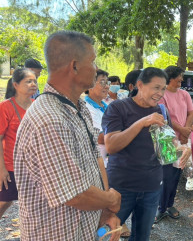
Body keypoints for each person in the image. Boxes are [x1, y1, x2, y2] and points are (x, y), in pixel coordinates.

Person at [13, 31, 121, 240]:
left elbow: (96, 158)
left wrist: (105, 211)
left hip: (84, 231)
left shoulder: (78, 107)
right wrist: (110, 199)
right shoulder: (49, 119)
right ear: (74, 66)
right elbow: (75, 194)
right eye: (93, 61)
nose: (96, 68)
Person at [102, 67, 184, 240]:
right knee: (105, 234)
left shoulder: (162, 110)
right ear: (140, 84)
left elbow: (167, 144)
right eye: (156, 87)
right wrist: (142, 122)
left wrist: (181, 149)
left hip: (152, 186)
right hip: (121, 187)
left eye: (163, 88)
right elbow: (111, 146)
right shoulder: (118, 108)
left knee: (142, 236)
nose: (160, 93)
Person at [156, 66, 193, 222]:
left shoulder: (184, 94)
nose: (182, 80)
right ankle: (160, 208)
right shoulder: (162, 95)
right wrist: (182, 132)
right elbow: (167, 118)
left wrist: (187, 131)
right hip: (168, 140)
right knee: (166, 175)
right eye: (179, 77)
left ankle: (169, 204)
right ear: (170, 78)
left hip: (184, 139)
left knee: (177, 174)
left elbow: (191, 112)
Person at [0, 68, 37, 218]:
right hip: (10, 166)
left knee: (32, 205)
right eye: (28, 81)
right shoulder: (5, 107)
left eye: (34, 81)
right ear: (15, 85)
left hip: (32, 166)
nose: (33, 84)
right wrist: (1, 169)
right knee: (4, 202)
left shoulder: (37, 105)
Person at [85, 69, 110, 167]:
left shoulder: (106, 106)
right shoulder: (87, 108)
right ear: (90, 85)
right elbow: (100, 138)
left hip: (107, 162)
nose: (107, 86)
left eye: (107, 83)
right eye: (102, 82)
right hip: (98, 165)